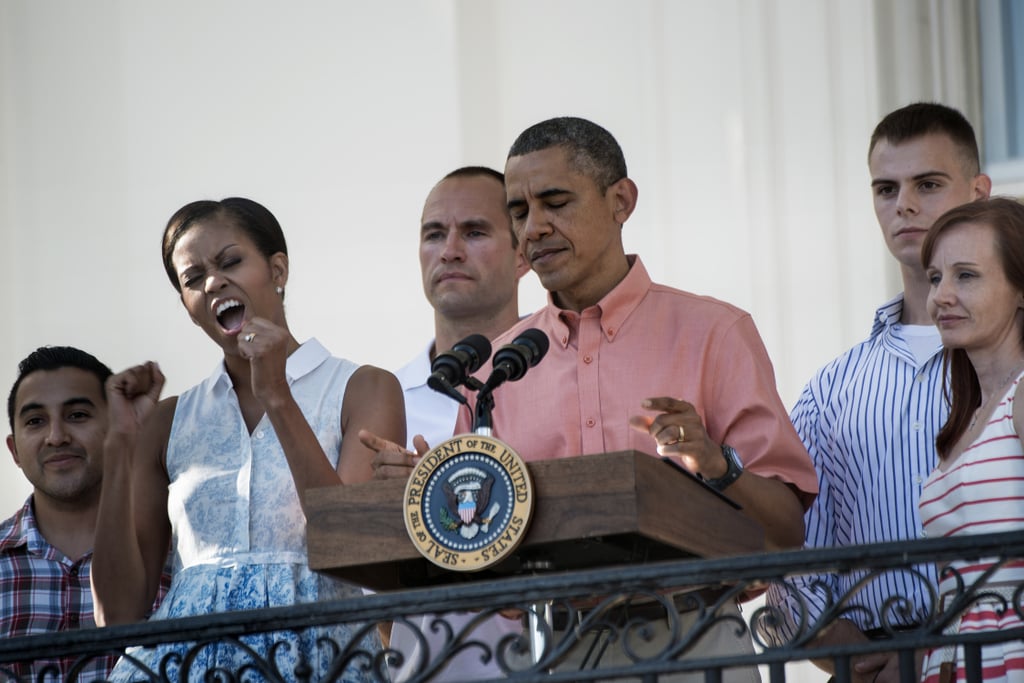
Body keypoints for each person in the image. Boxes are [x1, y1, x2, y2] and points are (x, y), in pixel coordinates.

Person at [447, 116, 818, 682]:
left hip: (697, 644)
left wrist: (717, 466)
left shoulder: (714, 332)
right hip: (554, 653)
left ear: (621, 200)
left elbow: (786, 530)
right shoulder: (496, 370)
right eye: (520, 212)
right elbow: (476, 556)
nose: (535, 228)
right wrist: (428, 491)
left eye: (556, 202)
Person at [90, 197, 405, 682]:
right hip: (183, 667)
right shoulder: (169, 418)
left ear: (278, 268)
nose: (213, 282)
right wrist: (118, 448)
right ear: (188, 306)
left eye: (230, 262)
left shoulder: (363, 387)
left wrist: (277, 395)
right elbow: (119, 617)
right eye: (193, 279)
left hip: (316, 657)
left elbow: (349, 549)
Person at [762, 103, 992, 682]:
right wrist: (858, 657)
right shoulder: (831, 390)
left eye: (928, 184)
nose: (904, 205)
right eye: (886, 188)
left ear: (979, 191)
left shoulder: (1012, 364)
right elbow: (791, 560)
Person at [379, 166, 529, 682]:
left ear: (523, 254)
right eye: (434, 234)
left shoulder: (577, 382)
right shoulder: (381, 401)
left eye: (475, 231)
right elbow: (359, 592)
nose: (450, 250)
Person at [917, 197, 1024, 683]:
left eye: (966, 275)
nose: (940, 295)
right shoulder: (969, 419)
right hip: (960, 659)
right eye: (936, 277)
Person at [1, 346, 115, 681]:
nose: (56, 437)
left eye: (77, 415)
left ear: (120, 430)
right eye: (36, 421)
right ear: (15, 450)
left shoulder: (175, 558)